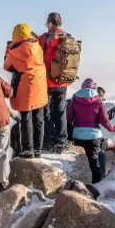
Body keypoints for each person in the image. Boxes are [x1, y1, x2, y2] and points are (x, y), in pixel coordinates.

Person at [4, 23, 48, 158]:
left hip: (24, 88)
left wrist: (7, 50)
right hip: (39, 87)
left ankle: (28, 150)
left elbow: (7, 66)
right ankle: (38, 149)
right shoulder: (38, 47)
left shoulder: (13, 50)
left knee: (25, 120)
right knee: (39, 119)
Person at [67, 78, 115, 183]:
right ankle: (96, 185)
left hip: (78, 135)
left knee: (79, 161)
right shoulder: (98, 100)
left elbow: (68, 117)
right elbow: (105, 120)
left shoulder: (75, 99)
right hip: (94, 137)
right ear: (94, 88)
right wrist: (113, 128)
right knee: (94, 162)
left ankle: (80, 183)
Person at [39, 12, 77, 153]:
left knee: (46, 112)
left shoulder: (44, 38)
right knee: (61, 111)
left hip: (47, 81)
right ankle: (61, 140)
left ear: (50, 23)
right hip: (62, 81)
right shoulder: (68, 37)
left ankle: (48, 141)